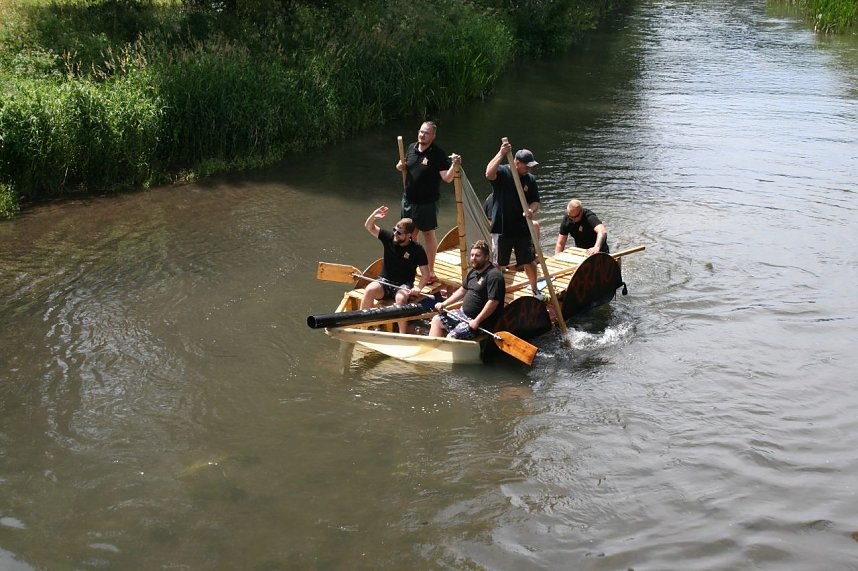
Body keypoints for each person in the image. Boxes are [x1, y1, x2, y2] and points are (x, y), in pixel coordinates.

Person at [396, 121, 461, 284]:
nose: (422, 135)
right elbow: (404, 166)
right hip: (408, 201)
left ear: (433, 136)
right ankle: (412, 265)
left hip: (426, 203)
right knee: (410, 235)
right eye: (421, 132)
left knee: (428, 235)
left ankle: (430, 270)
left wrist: (455, 165)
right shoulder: (411, 148)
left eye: (426, 133)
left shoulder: (437, 154)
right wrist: (400, 166)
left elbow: (447, 178)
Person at [485, 142, 542, 300]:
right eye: (526, 166)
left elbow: (536, 201)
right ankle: (495, 294)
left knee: (529, 260)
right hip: (502, 227)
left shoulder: (530, 179)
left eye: (531, 166)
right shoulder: (503, 172)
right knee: (498, 263)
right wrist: (501, 153)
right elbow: (489, 174)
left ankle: (535, 288)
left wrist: (531, 210)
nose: (529, 169)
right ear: (517, 163)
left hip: (522, 227)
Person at [361, 205, 430, 333]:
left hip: (403, 285)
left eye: (399, 233)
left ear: (409, 235)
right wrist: (373, 216)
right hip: (384, 281)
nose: (395, 234)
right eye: (394, 230)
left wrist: (418, 287)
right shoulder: (388, 237)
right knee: (369, 289)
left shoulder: (417, 249)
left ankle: (401, 333)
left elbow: (426, 273)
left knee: (400, 299)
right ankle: (365, 326)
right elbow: (369, 226)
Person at [429, 240, 505, 339]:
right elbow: (462, 290)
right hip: (462, 314)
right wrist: (444, 303)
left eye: (477, 256)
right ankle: (432, 350)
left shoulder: (494, 276)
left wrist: (477, 321)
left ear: (486, 257)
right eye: (472, 255)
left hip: (481, 322)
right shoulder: (474, 271)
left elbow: (493, 302)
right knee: (436, 320)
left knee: (451, 337)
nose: (473, 258)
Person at [484, 193, 540, 267]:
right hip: (500, 233)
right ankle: (515, 265)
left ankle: (533, 253)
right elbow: (492, 224)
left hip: (516, 227)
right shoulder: (493, 200)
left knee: (535, 225)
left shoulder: (514, 196)